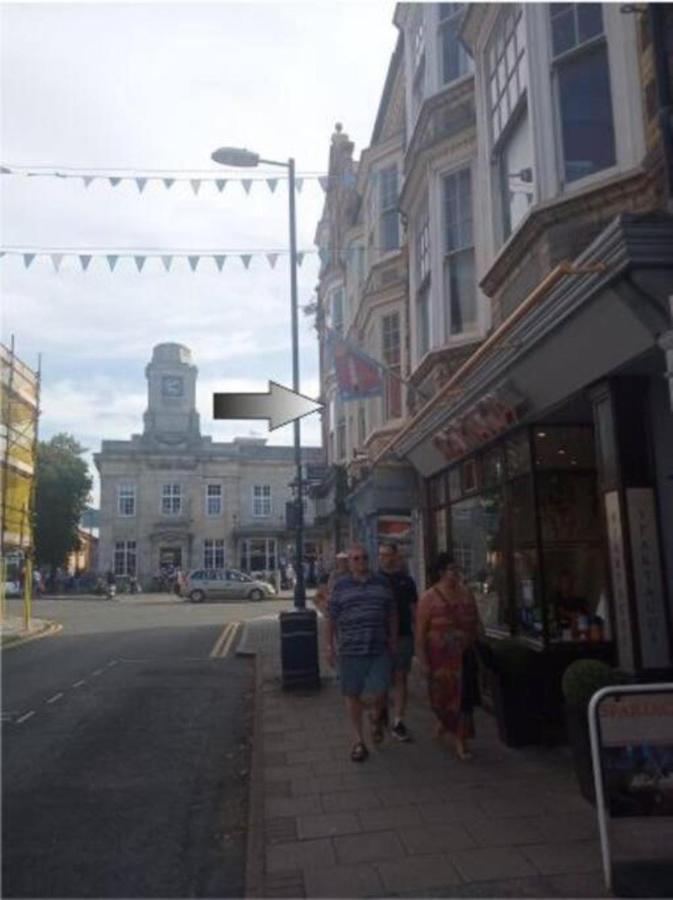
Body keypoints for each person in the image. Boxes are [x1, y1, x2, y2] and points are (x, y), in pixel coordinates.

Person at [326, 545, 397, 763]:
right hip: (350, 650)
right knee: (352, 694)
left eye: (364, 558)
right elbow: (331, 618)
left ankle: (377, 717)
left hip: (378, 648)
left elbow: (392, 614)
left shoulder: (382, 583)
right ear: (349, 563)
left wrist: (393, 640)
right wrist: (329, 647)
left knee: (381, 691)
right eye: (356, 559)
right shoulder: (340, 586)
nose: (361, 562)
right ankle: (358, 741)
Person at [415, 553, 482, 760]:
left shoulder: (466, 594)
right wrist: (423, 661)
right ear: (442, 572)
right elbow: (420, 633)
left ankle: (461, 740)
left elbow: (476, 621)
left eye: (457, 569)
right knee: (442, 698)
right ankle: (445, 722)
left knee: (465, 699)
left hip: (465, 654)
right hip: (441, 660)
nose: (456, 573)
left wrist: (478, 636)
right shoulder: (429, 598)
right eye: (452, 569)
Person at [378, 542, 418, 742]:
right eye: (381, 555)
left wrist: (418, 635)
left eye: (387, 554)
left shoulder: (406, 581)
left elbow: (414, 610)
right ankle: (382, 712)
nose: (384, 558)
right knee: (383, 679)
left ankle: (398, 721)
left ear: (396, 556)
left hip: (403, 635)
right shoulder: (375, 580)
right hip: (380, 637)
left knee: (401, 677)